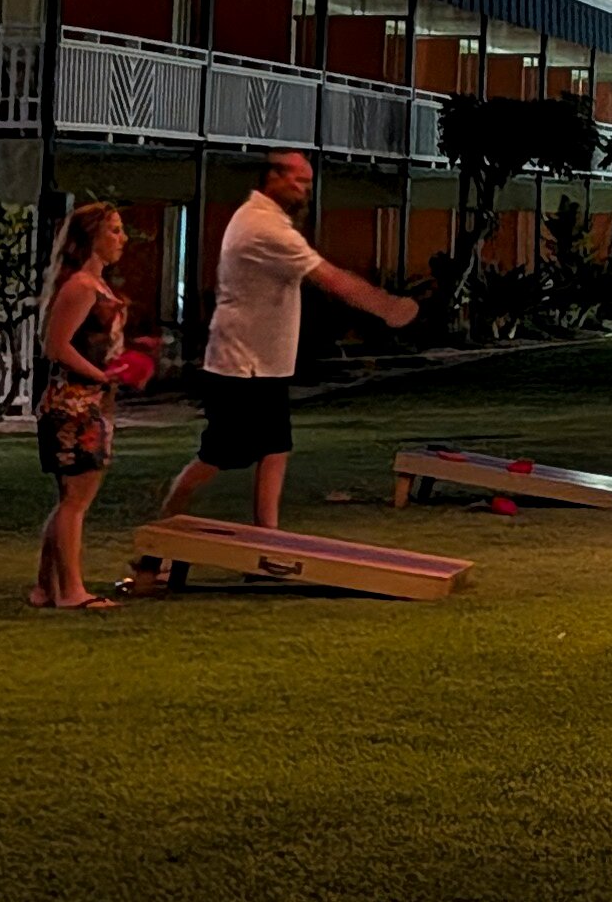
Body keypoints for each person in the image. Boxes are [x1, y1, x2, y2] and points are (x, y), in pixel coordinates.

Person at [153, 150, 418, 539]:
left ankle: (268, 540)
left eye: (308, 182)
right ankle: (160, 533)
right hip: (240, 366)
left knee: (275, 449)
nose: (304, 189)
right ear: (272, 177)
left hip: (265, 364)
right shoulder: (265, 228)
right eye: (298, 180)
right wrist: (388, 307)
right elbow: (329, 278)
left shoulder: (265, 219)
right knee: (219, 456)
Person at [32, 202, 132, 610]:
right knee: (76, 500)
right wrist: (99, 374)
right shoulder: (80, 287)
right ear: (92, 237)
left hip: (91, 401)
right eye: (114, 230)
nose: (122, 238)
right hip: (74, 403)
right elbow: (56, 346)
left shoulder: (98, 286)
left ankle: (46, 587)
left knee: (71, 500)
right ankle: (71, 590)